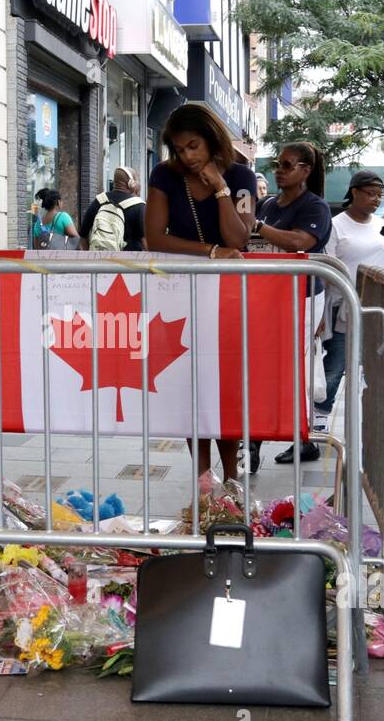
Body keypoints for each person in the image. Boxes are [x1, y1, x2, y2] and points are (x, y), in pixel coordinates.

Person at [145, 102, 258, 481]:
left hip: (227, 299)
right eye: (179, 148)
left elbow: (240, 237)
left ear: (211, 139)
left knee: (223, 386)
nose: (187, 156)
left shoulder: (240, 176)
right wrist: (211, 252)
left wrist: (221, 189)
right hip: (178, 295)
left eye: (193, 145)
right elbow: (155, 238)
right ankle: (203, 479)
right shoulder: (164, 175)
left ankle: (231, 478)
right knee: (190, 388)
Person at [317, 172, 384, 444]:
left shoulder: (382, 225)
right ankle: (318, 420)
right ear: (354, 192)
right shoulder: (335, 225)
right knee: (336, 366)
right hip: (344, 307)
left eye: (380, 194)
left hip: (378, 307)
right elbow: (325, 268)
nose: (377, 199)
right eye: (371, 193)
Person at [245, 142, 333, 470]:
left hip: (303, 296)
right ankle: (279, 438)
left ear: (305, 170)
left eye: (287, 164)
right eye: (278, 164)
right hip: (267, 294)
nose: (279, 170)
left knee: (289, 369)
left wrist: (256, 226)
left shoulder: (315, 207)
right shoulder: (268, 204)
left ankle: (272, 438)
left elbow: (301, 242)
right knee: (267, 369)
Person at [80, 167, 146, 250]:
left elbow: (83, 238)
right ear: (131, 184)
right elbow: (146, 242)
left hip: (100, 260)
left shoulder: (99, 201)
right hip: (130, 261)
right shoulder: (139, 206)